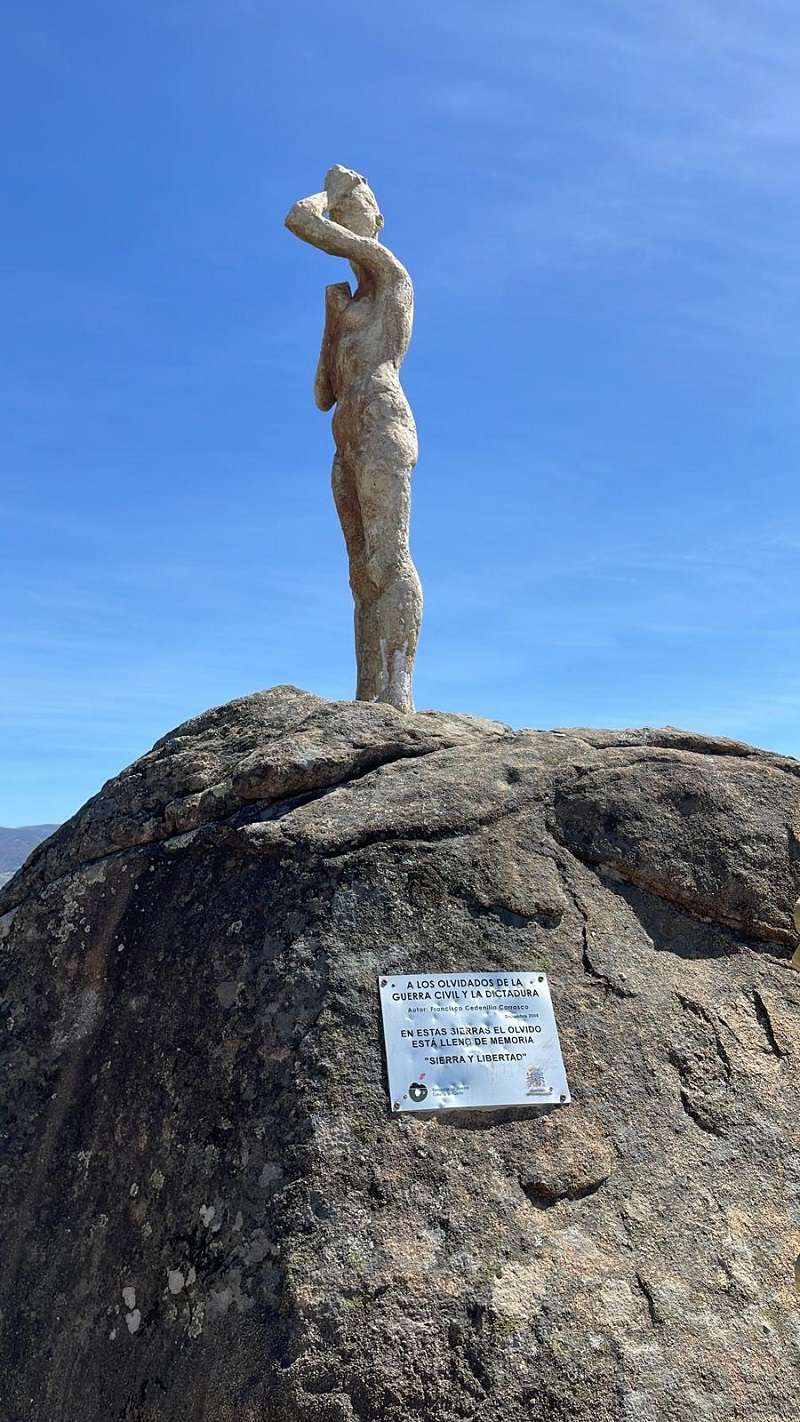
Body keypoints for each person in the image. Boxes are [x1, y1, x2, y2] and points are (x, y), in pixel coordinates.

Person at [285, 166, 422, 712]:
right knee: (360, 573)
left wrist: (329, 190)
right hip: (344, 433)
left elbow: (300, 220)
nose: (342, 212)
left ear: (378, 218)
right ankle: (370, 693)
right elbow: (323, 392)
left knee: (389, 557)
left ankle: (398, 688)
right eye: (339, 207)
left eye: (354, 203)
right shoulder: (349, 303)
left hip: (383, 421)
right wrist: (333, 320)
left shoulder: (390, 272)